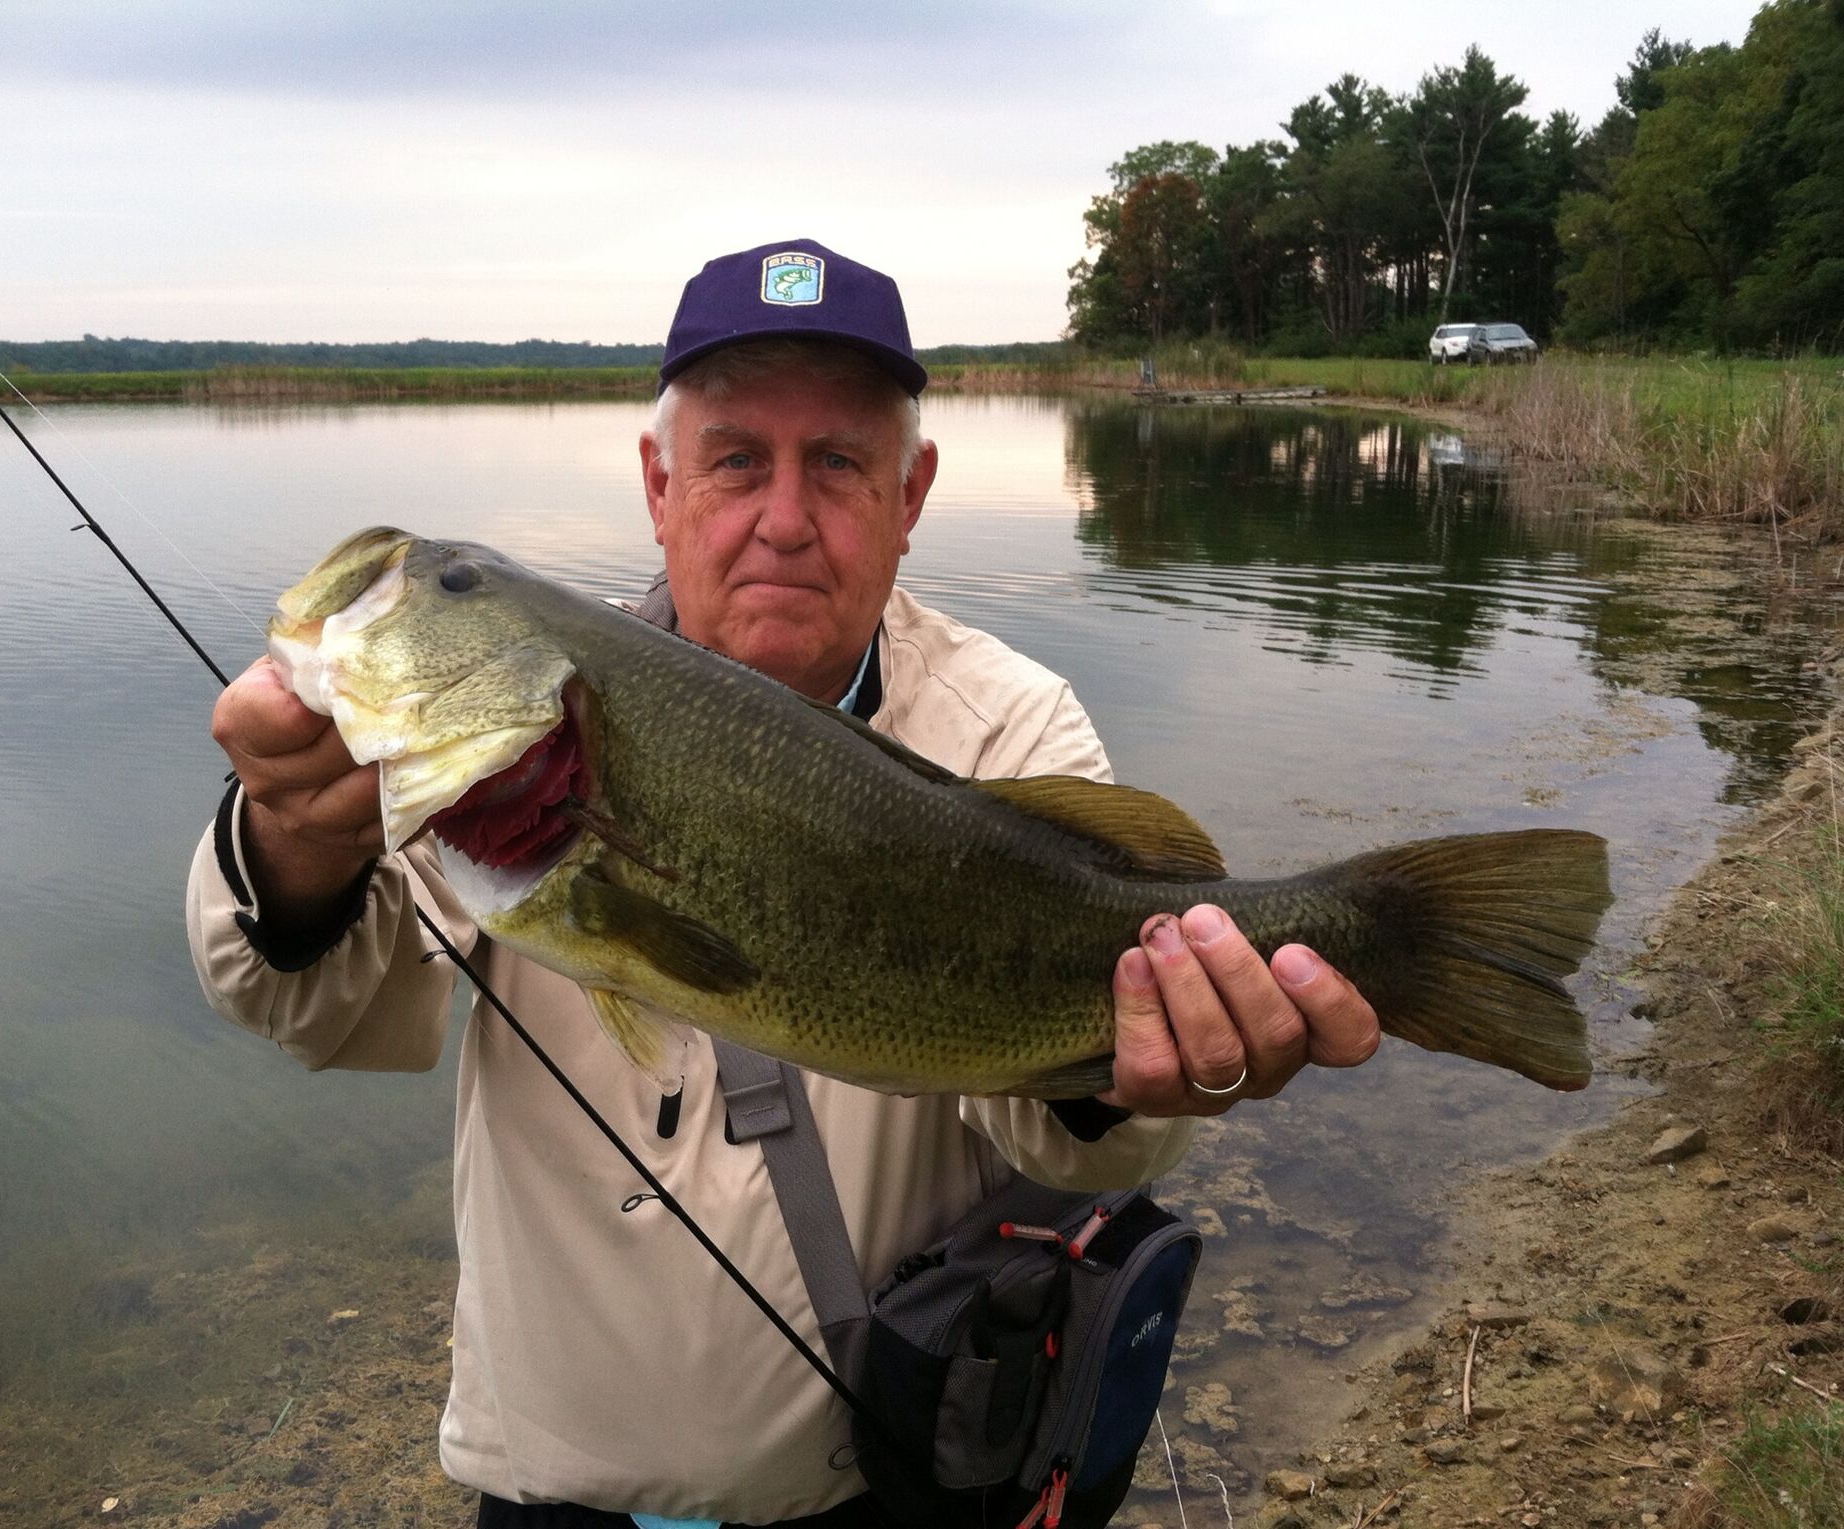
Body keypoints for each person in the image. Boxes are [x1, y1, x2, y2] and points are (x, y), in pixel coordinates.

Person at [187, 239, 1381, 1528]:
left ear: (912, 493)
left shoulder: (1014, 731)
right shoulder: (514, 726)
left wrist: (1142, 1078)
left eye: (841, 464)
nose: (785, 517)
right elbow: (317, 1014)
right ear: (660, 483)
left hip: (883, 1482)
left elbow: (1069, 1141)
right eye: (738, 459)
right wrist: (297, 846)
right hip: (556, 1485)